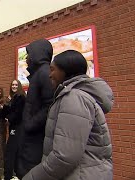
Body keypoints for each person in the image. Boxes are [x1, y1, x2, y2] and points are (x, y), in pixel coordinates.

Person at [22, 50, 114, 180]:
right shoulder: (76, 95)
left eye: (53, 69)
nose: (49, 75)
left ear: (65, 71)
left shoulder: (74, 98)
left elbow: (64, 156)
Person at [17, 39, 54, 178]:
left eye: (28, 54)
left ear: (37, 55)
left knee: (30, 172)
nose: (26, 59)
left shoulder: (44, 73)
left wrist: (30, 124)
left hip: (36, 139)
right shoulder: (38, 74)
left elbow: (50, 104)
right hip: (32, 137)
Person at [3, 80, 26, 180]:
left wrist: (9, 118)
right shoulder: (13, 98)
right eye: (12, 84)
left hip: (17, 127)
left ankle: (8, 176)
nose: (14, 86)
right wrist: (7, 103)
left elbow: (18, 113)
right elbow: (7, 112)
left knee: (10, 151)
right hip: (14, 126)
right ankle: (16, 174)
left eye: (16, 84)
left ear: (19, 86)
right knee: (15, 151)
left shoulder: (20, 97)